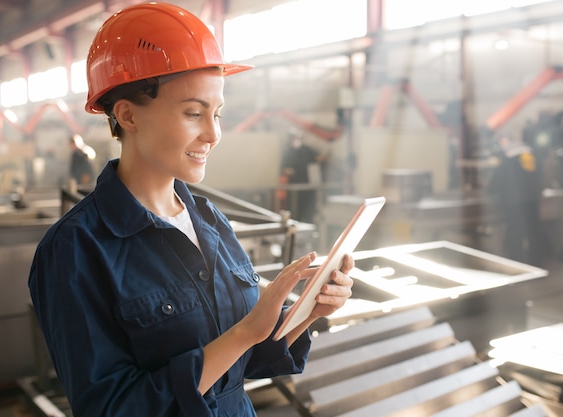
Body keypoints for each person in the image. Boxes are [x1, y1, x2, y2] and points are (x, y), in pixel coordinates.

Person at [28, 3, 354, 417]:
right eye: (193, 113)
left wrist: (308, 311)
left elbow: (245, 362)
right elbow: (110, 409)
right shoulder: (75, 250)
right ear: (128, 115)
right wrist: (243, 333)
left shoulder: (209, 220)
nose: (213, 134)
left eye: (216, 114)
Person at [488, 132, 543, 266]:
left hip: (514, 198)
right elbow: (540, 172)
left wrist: (489, 190)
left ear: (503, 140)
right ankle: (536, 262)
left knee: (515, 230)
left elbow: (499, 177)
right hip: (532, 197)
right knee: (533, 230)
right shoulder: (529, 151)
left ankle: (516, 262)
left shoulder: (505, 153)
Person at [279, 128, 324, 222]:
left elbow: (318, 159)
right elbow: (283, 168)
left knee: (309, 212)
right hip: (294, 189)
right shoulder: (288, 152)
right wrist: (288, 171)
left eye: (297, 138)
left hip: (308, 188)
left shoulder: (307, 150)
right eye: (293, 138)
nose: (296, 140)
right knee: (295, 213)